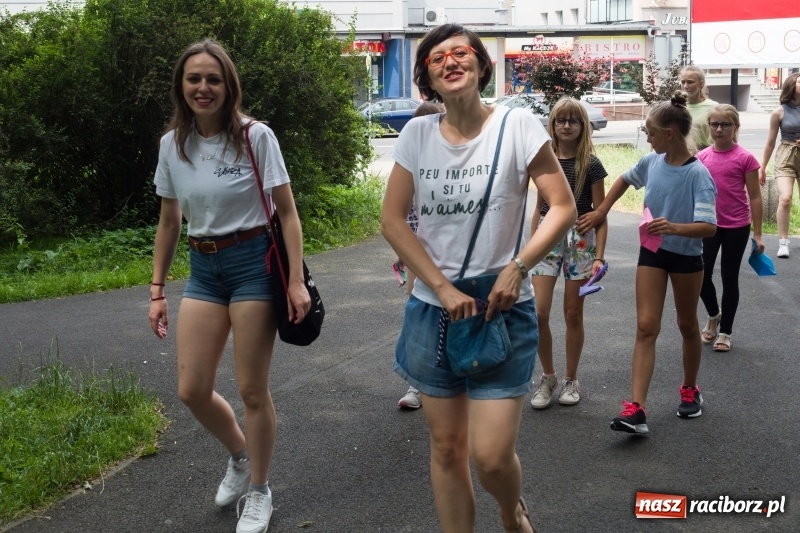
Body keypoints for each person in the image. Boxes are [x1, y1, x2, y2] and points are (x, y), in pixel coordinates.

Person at [382, 23, 575, 533]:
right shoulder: (416, 135)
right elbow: (393, 220)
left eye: (460, 53)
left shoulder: (519, 126)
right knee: (447, 449)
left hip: (500, 306)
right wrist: (441, 288)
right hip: (433, 309)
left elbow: (562, 207)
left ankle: (511, 512)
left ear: (481, 64)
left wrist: (518, 268)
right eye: (436, 58)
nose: (450, 62)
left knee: (490, 458)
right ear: (427, 75)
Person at [148, 39, 311, 533]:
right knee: (191, 389)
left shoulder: (255, 136)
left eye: (213, 79)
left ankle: (260, 491)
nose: (203, 88)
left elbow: (287, 212)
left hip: (252, 265)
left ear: (228, 86)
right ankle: (239, 457)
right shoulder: (172, 145)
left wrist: (296, 281)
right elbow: (169, 222)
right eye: (194, 78)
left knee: (251, 390)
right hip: (203, 269)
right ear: (181, 85)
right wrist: (157, 290)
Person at [582, 91, 717, 435]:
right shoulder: (652, 162)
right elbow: (625, 179)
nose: (647, 136)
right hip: (653, 252)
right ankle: (636, 409)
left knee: (687, 325)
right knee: (646, 326)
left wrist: (674, 227)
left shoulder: (698, 174)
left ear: (669, 134)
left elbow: (709, 226)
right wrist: (602, 210)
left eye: (650, 131)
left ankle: (690, 389)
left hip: (687, 256)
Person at [529, 97, 608, 409]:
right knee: (538, 312)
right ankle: (548, 376)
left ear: (582, 125)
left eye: (573, 120)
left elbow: (600, 215)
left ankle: (571, 378)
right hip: (546, 237)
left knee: (573, 313)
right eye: (561, 120)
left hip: (580, 241)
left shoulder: (591, 163)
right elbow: (537, 208)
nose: (566, 125)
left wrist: (599, 255)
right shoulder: (544, 159)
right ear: (552, 123)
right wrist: (529, 244)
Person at [697, 105, 762, 353]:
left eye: (726, 124)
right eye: (714, 124)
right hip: (708, 225)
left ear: (736, 127)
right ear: (709, 126)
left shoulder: (745, 158)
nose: (719, 129)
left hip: (737, 225)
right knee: (701, 275)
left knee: (729, 277)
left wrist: (757, 233)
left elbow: (755, 197)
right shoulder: (702, 158)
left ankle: (725, 331)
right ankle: (714, 315)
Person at [397, 100, 445, 411]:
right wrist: (405, 255)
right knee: (420, 313)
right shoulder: (410, 164)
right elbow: (399, 217)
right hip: (419, 253)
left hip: (453, 254)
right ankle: (417, 385)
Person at [760, 73, 800, 258]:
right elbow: (769, 142)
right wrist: (763, 167)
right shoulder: (779, 112)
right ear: (791, 85)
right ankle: (783, 242)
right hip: (785, 156)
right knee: (785, 198)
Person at [680, 65, 718, 152]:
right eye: (683, 82)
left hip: (707, 157)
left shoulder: (714, 107)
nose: (685, 86)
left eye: (690, 82)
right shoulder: (677, 107)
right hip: (683, 159)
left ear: (701, 84)